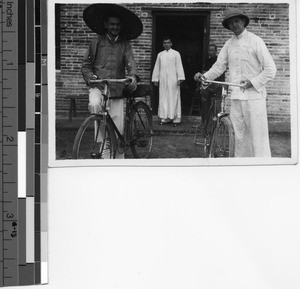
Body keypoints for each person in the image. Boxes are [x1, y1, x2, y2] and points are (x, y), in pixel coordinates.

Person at [194, 9, 277, 157]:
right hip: (236, 97)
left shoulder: (255, 41)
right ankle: (241, 168)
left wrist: (252, 82)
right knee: (238, 137)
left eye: (237, 21)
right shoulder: (228, 44)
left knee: (258, 137)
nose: (234, 25)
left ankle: (262, 169)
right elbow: (219, 66)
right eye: (231, 23)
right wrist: (204, 76)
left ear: (244, 22)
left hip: (254, 98)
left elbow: (271, 69)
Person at [81, 4, 143, 158]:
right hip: (99, 87)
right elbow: (86, 65)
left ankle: (118, 154)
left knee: (116, 124)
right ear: (106, 25)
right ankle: (103, 145)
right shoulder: (96, 42)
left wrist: (133, 76)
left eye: (117, 25)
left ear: (121, 26)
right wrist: (90, 78)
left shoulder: (124, 44)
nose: (114, 27)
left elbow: (131, 62)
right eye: (111, 24)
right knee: (95, 106)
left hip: (117, 88)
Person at [152, 36, 185, 127]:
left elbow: (179, 66)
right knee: (163, 98)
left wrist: (180, 78)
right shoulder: (160, 55)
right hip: (163, 81)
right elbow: (157, 67)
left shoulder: (176, 54)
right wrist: (155, 78)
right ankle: (164, 118)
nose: (166, 44)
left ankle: (175, 119)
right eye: (165, 43)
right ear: (163, 44)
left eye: (168, 42)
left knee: (174, 97)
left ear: (171, 44)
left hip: (173, 80)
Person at [200, 44, 225, 123]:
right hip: (208, 86)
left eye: (212, 50)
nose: (211, 52)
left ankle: (216, 123)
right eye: (209, 50)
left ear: (216, 51)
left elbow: (217, 73)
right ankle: (206, 123)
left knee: (216, 106)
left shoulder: (218, 62)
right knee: (206, 105)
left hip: (217, 86)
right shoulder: (207, 61)